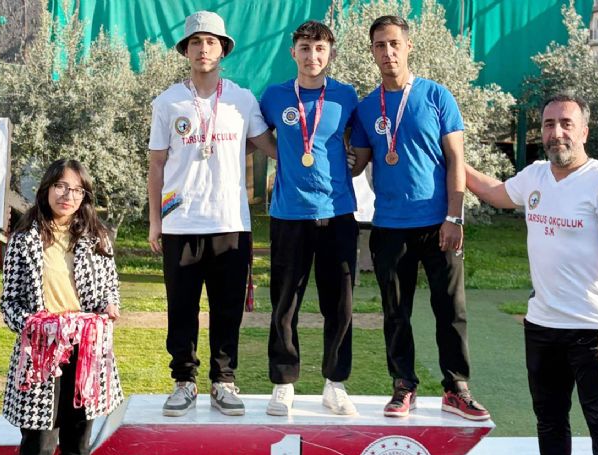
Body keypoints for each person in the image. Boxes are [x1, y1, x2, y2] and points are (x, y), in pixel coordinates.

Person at [466, 92, 598, 455]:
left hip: (592, 328)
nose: (556, 133)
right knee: (550, 418)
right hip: (542, 325)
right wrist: (455, 159)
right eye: (548, 124)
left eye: (566, 124)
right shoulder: (536, 176)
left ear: (584, 132)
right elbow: (494, 192)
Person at [350, 15, 489, 420]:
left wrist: (454, 217)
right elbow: (357, 165)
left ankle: (456, 388)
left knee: (451, 310)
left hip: (438, 224)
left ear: (408, 47)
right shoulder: (366, 108)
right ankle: (403, 385)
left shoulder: (436, 96)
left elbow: (456, 160)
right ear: (372, 51)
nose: (388, 52)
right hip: (389, 226)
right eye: (380, 45)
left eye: (394, 43)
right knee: (396, 312)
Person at [148, 10, 276, 417]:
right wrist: (155, 222)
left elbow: (270, 146)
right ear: (185, 50)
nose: (203, 49)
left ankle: (223, 381)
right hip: (180, 223)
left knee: (227, 309)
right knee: (181, 308)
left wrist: (321, 147)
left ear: (223, 50)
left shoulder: (242, 99)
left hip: (230, 223)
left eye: (211, 42)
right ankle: (183, 381)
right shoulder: (167, 102)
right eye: (195, 42)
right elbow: (156, 166)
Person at [0, 159, 123, 455]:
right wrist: (36, 327)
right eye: (61, 186)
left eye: (77, 190)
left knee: (78, 448)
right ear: (47, 189)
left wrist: (109, 306)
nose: (68, 196)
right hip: (41, 355)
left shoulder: (97, 238)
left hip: (86, 354)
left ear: (85, 196)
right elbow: (9, 304)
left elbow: (110, 289)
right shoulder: (23, 240)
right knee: (38, 448)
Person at [259, 20, 359, 416]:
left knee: (340, 305)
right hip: (288, 214)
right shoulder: (274, 96)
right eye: (304, 48)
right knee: (285, 303)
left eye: (319, 49)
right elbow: (257, 135)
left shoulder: (346, 96)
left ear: (330, 54)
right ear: (293, 53)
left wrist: (353, 158)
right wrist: (283, 155)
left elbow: (359, 142)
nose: (312, 56)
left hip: (337, 213)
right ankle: (284, 383)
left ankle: (335, 383)